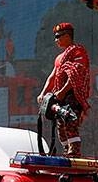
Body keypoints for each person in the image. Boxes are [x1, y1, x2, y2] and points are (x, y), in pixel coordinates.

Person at [38, 22, 91, 158]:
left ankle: (74, 151)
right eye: (55, 37)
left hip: (72, 96)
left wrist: (62, 91)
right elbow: (52, 76)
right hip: (59, 97)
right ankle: (67, 151)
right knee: (60, 126)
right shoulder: (59, 58)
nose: (56, 40)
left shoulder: (78, 51)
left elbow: (76, 74)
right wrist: (43, 93)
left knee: (70, 121)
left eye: (58, 36)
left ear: (67, 36)